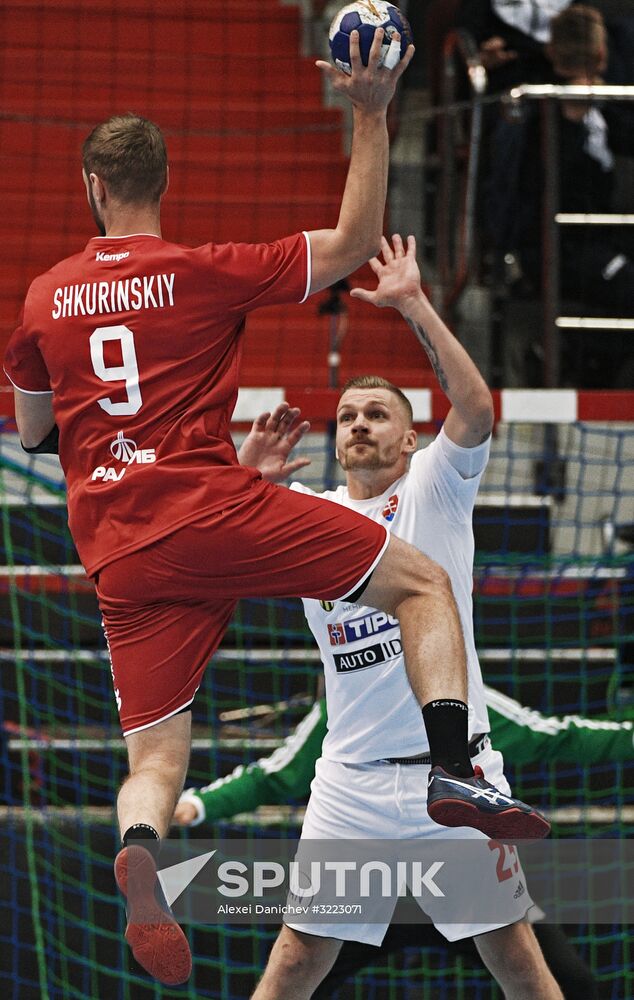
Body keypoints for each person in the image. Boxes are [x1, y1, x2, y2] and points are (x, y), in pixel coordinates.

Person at [2, 30, 549, 988]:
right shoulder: (204, 270)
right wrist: (370, 111)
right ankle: (456, 765)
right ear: (161, 186)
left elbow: (37, 433)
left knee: (158, 755)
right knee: (421, 584)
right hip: (210, 512)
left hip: (119, 552)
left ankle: (142, 845)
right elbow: (346, 244)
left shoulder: (45, 298)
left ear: (92, 187)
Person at [226, 235, 560, 999]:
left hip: (455, 776)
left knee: (516, 960)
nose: (359, 424)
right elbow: (215, 530)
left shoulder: (435, 489)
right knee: (294, 960)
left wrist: (412, 302)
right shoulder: (307, 514)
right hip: (354, 786)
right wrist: (245, 480)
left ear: (410, 439)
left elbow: (476, 407)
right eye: (346, 416)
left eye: (378, 414)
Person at [173, 687, 633, 998]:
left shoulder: (468, 696)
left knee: (557, 980)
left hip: (457, 871)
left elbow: (560, 737)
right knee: (293, 972)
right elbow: (277, 774)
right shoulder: (349, 697)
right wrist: (198, 805)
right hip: (374, 886)